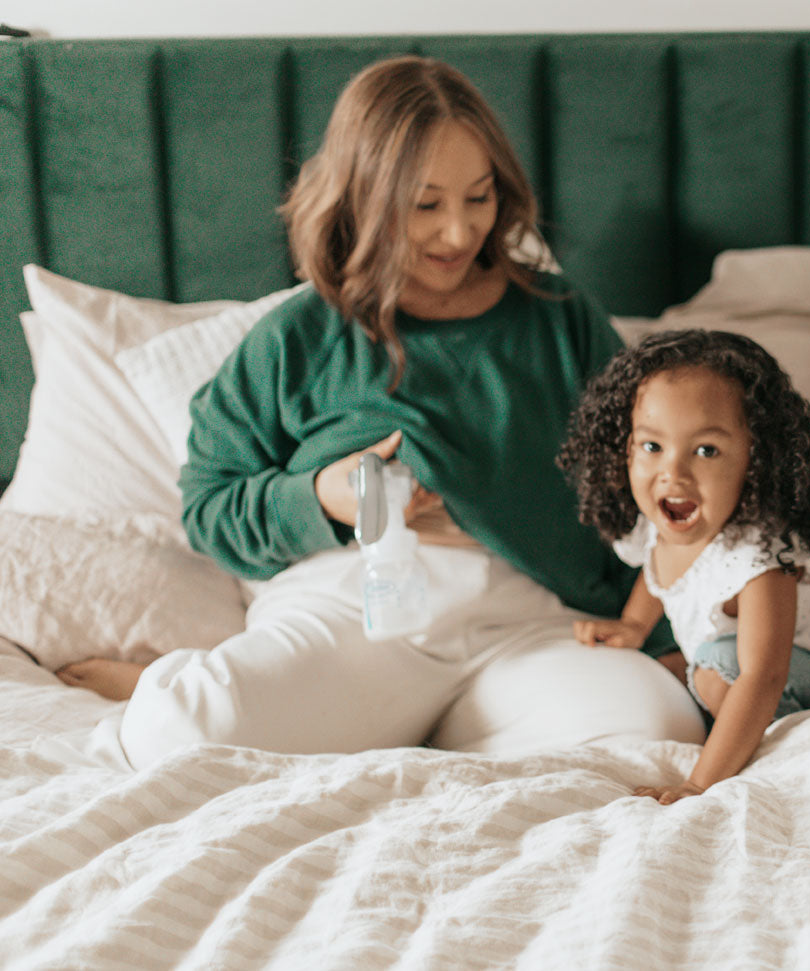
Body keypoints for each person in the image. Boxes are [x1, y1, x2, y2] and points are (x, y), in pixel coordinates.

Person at [55, 56, 705, 766]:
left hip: (531, 619)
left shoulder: (560, 318)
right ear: (363, 198)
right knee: (179, 731)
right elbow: (210, 507)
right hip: (353, 609)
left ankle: (404, 732)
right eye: (425, 206)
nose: (458, 233)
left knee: (662, 724)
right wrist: (323, 497)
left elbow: (654, 487)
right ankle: (258, 698)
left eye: (479, 197)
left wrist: (666, 637)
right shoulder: (297, 337)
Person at [558, 329, 810, 803]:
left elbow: (762, 675)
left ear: (757, 460)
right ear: (623, 445)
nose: (673, 473)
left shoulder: (760, 560)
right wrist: (634, 625)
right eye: (652, 446)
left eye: (706, 450)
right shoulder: (660, 519)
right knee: (687, 669)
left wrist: (699, 782)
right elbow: (659, 570)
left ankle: (781, 737)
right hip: (755, 658)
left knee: (714, 672)